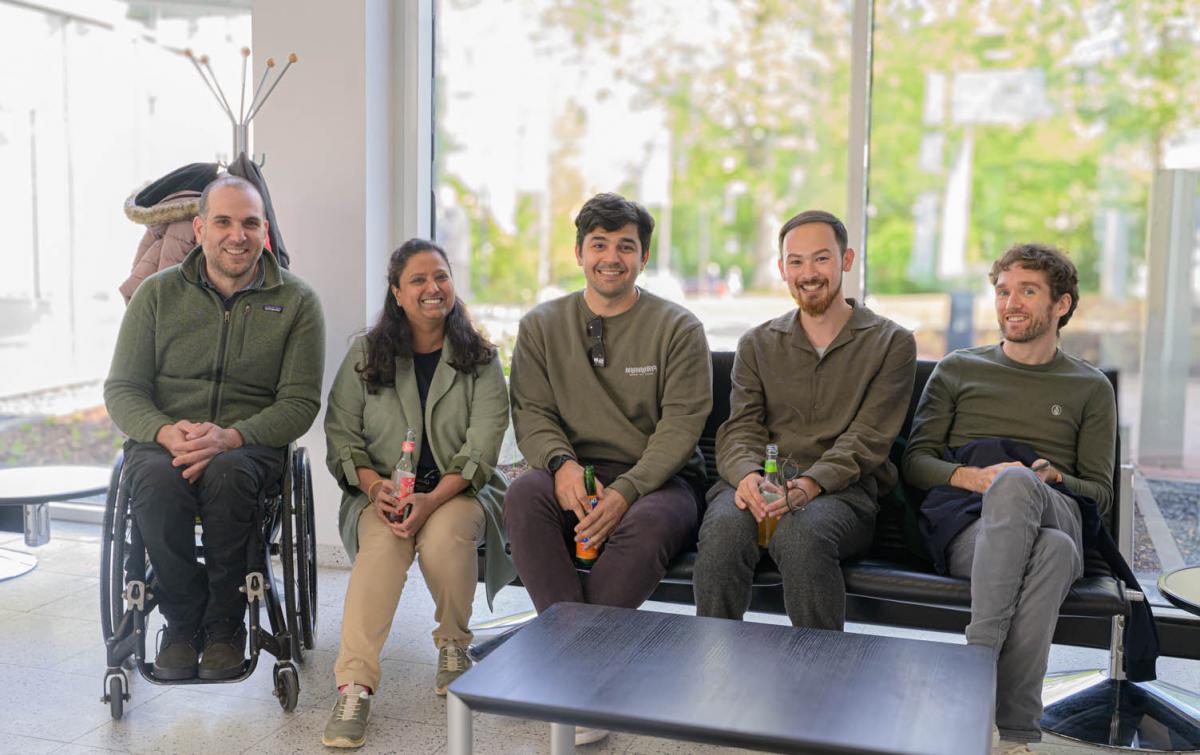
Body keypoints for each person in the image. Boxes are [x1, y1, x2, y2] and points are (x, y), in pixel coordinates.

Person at [504, 193, 711, 742]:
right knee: (523, 495)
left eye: (626, 246)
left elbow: (681, 426)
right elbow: (532, 413)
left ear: (644, 257)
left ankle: (569, 673)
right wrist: (561, 465)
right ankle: (585, 677)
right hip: (571, 469)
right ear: (579, 253)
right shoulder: (541, 325)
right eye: (599, 245)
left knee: (647, 524)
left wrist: (628, 491)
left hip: (660, 479)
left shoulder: (679, 328)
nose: (611, 258)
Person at [104, 175, 325, 682]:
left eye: (250, 223)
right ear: (200, 228)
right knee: (154, 480)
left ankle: (225, 625)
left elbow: (299, 403)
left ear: (265, 231)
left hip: (247, 444)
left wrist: (230, 437)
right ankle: (182, 623)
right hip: (167, 440)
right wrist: (164, 432)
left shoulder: (297, 302)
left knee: (228, 475)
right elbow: (122, 389)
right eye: (223, 222)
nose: (237, 235)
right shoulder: (156, 295)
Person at [901, 243, 1118, 752]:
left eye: (1027, 291)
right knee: (1052, 552)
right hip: (969, 528)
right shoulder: (959, 369)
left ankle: (976, 662)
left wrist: (1051, 477)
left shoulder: (1090, 387)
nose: (1010, 303)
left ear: (1061, 304)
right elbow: (915, 462)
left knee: (1020, 484)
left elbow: (1100, 495)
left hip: (1056, 509)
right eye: (1003, 292)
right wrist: (977, 479)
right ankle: (1016, 735)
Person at [320, 239, 515, 749]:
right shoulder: (366, 356)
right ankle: (354, 686)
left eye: (441, 276)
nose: (433, 288)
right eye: (419, 280)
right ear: (396, 293)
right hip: (382, 494)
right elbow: (342, 436)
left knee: (444, 535)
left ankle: (453, 643)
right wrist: (375, 488)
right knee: (383, 547)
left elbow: (482, 448)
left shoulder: (481, 359)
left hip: (459, 492)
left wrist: (430, 500)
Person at [692, 210, 916, 630]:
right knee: (723, 531)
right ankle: (714, 658)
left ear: (846, 260)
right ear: (782, 269)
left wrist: (812, 483)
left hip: (842, 492)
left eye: (821, 259)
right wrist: (746, 476)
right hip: (760, 480)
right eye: (796, 261)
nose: (808, 273)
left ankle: (820, 666)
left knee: (801, 534)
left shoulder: (892, 344)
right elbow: (741, 427)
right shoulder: (757, 343)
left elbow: (868, 437)